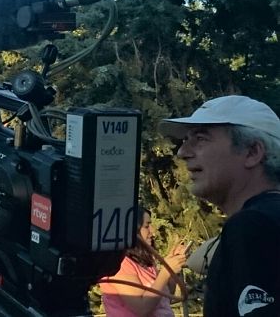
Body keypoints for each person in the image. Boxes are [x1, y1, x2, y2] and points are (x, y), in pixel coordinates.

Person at [160, 95, 280, 316]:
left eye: (201, 138)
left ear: (252, 152)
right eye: (186, 139)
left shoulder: (252, 226)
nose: (183, 152)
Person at [100, 208, 187, 316]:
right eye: (147, 226)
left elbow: (164, 298)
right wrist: (165, 272)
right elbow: (142, 308)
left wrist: (173, 268)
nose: (153, 232)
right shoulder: (120, 264)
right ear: (132, 230)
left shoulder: (145, 260)